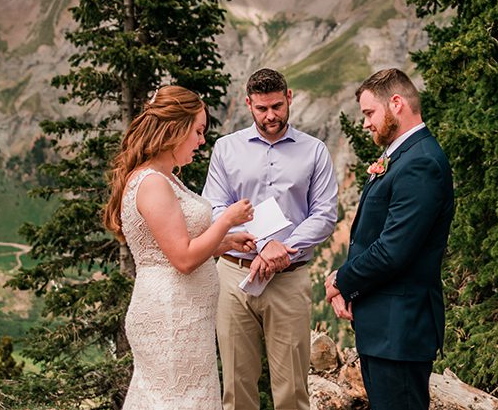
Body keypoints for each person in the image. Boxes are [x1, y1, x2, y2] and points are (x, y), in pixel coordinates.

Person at [104, 85, 258, 410]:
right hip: (171, 315)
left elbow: (179, 243)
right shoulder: (152, 183)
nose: (202, 141)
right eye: (198, 131)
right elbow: (183, 259)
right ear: (176, 129)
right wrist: (227, 220)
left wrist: (225, 243)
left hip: (185, 315)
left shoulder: (167, 177)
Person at [203, 68, 339, 410]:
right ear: (249, 104)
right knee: (236, 386)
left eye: (277, 106)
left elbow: (324, 215)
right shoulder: (225, 149)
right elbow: (215, 209)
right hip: (234, 276)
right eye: (262, 109)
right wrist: (265, 245)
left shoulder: (315, 151)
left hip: (289, 279)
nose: (271, 116)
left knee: (292, 389)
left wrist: (283, 251)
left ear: (289, 98)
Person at [325, 68, 454, 410]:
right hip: (385, 329)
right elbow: (371, 238)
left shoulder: (421, 162)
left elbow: (394, 250)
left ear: (396, 103)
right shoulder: (402, 156)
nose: (365, 123)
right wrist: (351, 288)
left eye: (369, 113)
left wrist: (341, 279)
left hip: (400, 330)